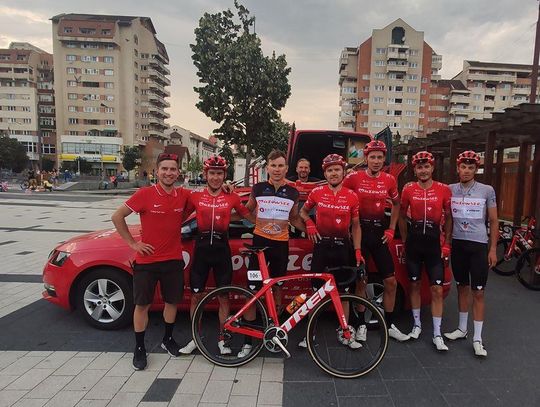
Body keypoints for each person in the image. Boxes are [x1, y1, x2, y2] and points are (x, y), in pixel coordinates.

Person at [111, 152, 190, 370]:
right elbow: (117, 216)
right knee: (142, 305)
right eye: (164, 169)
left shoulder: (183, 195)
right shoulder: (144, 194)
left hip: (173, 260)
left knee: (172, 302)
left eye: (173, 169)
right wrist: (133, 244)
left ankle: (167, 339)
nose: (169, 173)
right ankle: (139, 348)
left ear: (178, 173)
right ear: (157, 171)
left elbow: (202, 203)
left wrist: (228, 187)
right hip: (147, 262)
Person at [179, 155, 255, 355]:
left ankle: (223, 338)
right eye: (212, 173)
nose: (215, 177)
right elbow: (179, 218)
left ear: (225, 175)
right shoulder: (195, 196)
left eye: (219, 173)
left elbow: (249, 217)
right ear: (205, 174)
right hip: (201, 250)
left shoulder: (232, 196)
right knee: (196, 296)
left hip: (222, 250)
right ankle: (195, 338)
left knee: (223, 297)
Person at [343, 140, 410, 342]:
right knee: (361, 281)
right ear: (366, 158)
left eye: (380, 157)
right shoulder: (353, 178)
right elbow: (341, 198)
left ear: (384, 159)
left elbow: (397, 204)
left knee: (390, 282)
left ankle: (389, 325)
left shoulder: (389, 180)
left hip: (379, 232)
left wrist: (391, 228)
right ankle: (361, 324)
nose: (376, 160)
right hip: (359, 232)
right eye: (372, 157)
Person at [241, 149, 305, 357]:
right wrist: (257, 222)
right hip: (259, 245)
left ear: (286, 168)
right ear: (267, 167)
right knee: (253, 289)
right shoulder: (259, 188)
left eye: (281, 166)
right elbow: (247, 210)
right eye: (273, 165)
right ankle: (248, 341)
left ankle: (274, 330)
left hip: (281, 246)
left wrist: (314, 230)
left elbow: (295, 218)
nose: (277, 169)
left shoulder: (293, 192)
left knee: (277, 288)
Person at [298, 153, 364, 349]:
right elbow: (302, 211)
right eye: (329, 170)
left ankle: (345, 332)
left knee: (343, 291)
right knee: (315, 292)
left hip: (343, 247)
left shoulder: (352, 196)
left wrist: (358, 250)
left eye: (337, 169)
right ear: (325, 173)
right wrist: (309, 223)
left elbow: (356, 226)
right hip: (322, 246)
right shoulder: (317, 192)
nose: (333, 173)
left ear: (343, 172)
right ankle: (310, 334)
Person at [444, 150, 498, 357]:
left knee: (479, 292)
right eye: (463, 167)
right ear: (458, 168)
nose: (466, 171)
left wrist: (493, 249)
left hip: (478, 245)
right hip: (458, 244)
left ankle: (478, 338)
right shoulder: (450, 189)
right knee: (462, 287)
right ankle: (462, 329)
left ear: (476, 170)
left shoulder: (486, 190)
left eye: (470, 168)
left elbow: (493, 221)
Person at [399, 151, 452, 351]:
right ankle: (417, 325)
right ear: (415, 170)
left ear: (432, 168)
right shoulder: (408, 189)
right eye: (419, 167)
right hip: (414, 244)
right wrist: (405, 240)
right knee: (414, 285)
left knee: (437, 289)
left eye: (426, 166)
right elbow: (402, 215)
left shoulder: (443, 189)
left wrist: (447, 243)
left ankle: (437, 333)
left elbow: (449, 218)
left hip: (434, 246)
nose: (423, 170)